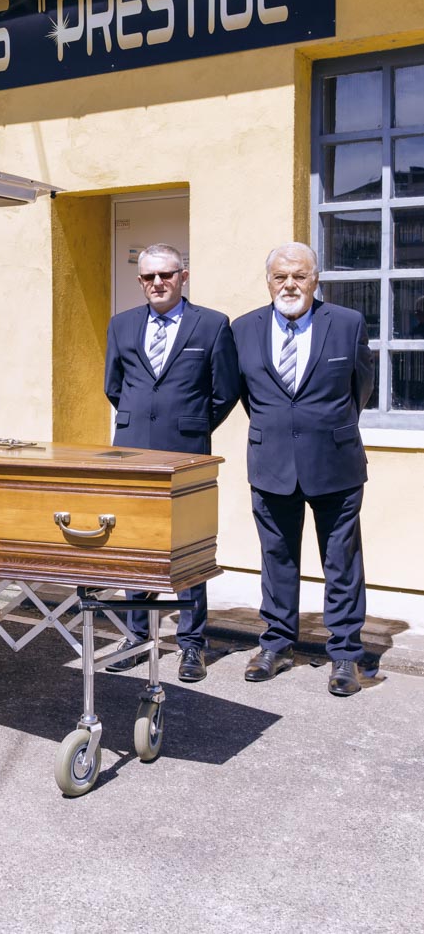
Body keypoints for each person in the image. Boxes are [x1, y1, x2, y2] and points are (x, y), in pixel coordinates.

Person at [231, 241, 375, 697]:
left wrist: (325, 428)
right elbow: (247, 395)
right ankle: (276, 644)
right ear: (268, 281)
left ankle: (346, 654)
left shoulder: (347, 323)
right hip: (271, 462)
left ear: (315, 279)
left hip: (335, 463)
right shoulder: (244, 329)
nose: (289, 284)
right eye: (280, 276)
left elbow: (361, 388)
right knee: (276, 558)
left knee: (341, 561)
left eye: (299, 275)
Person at [103, 243, 240, 681]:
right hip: (132, 451)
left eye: (166, 274)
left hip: (186, 452)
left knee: (188, 546)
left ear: (183, 276)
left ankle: (191, 643)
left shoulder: (212, 324)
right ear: (140, 281)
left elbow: (225, 391)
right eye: (149, 277)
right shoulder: (122, 324)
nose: (158, 283)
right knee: (135, 544)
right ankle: (137, 635)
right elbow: (113, 385)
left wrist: (192, 425)